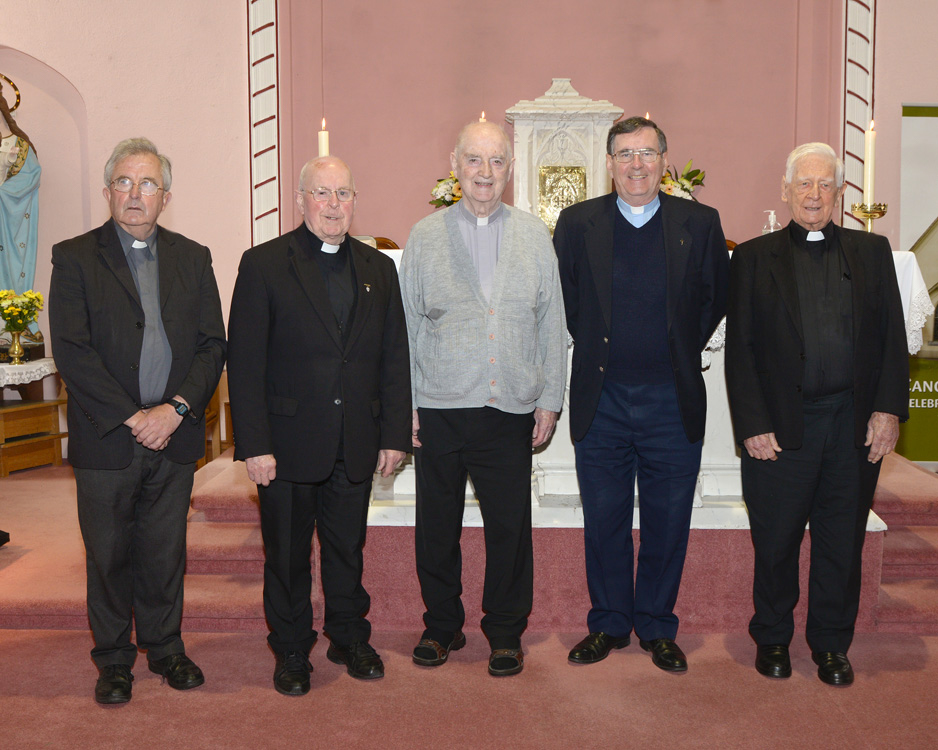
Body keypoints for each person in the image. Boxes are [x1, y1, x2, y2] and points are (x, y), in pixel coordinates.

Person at [49, 137, 226, 704]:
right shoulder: (74, 256)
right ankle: (114, 660)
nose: (134, 193)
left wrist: (174, 410)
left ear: (165, 196)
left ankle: (166, 647)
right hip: (110, 436)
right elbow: (73, 351)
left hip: (172, 434)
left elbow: (210, 345)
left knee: (164, 548)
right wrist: (133, 416)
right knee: (107, 553)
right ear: (107, 192)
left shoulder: (193, 257)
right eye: (124, 182)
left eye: (147, 183)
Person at [725, 142, 908, 686]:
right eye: (803, 183)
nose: (814, 193)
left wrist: (889, 410)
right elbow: (743, 351)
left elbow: (893, 341)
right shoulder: (755, 257)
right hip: (781, 429)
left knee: (841, 539)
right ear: (785, 191)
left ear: (840, 193)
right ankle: (774, 637)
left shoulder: (872, 253)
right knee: (776, 538)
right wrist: (753, 423)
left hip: (853, 426)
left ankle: (831, 644)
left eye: (825, 184)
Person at [227, 156, 410, 695]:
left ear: (356, 200)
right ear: (301, 199)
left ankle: (349, 635)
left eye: (344, 194)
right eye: (323, 194)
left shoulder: (378, 268)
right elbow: (245, 363)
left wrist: (395, 435)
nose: (334, 205)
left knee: (346, 548)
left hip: (354, 440)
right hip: (285, 445)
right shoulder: (263, 264)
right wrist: (254, 444)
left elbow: (394, 357)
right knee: (285, 554)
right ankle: (290, 648)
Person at [554, 116, 729, 673]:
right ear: (608, 163)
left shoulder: (699, 223)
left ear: (664, 161)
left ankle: (655, 625)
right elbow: (569, 301)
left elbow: (712, 299)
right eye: (625, 154)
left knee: (667, 519)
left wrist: (674, 347)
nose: (636, 165)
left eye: (647, 154)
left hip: (669, 399)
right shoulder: (577, 223)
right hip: (601, 398)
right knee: (603, 520)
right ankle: (607, 622)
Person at [400, 121, 567, 677]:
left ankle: (505, 632)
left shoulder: (534, 234)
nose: (485, 173)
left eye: (496, 162)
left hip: (510, 409)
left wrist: (549, 398)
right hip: (442, 408)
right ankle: (441, 625)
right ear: (455, 164)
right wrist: (409, 406)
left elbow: (552, 322)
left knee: (509, 528)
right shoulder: (424, 236)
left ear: (510, 169)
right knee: (437, 525)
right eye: (474, 160)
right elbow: (405, 328)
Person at [0, 87, 41, 303]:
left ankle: (12, 320)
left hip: (8, 218)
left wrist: (3, 192)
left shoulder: (20, 146)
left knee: (9, 267)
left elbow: (32, 175)